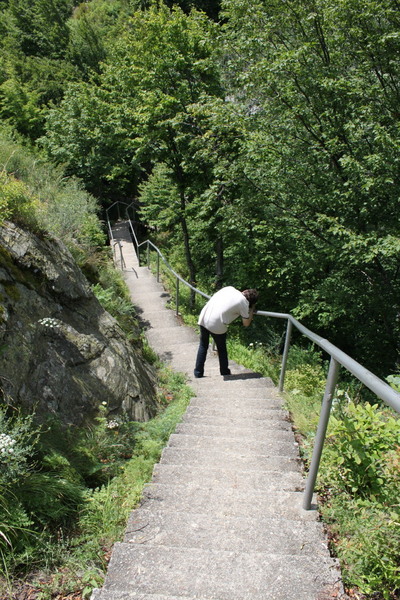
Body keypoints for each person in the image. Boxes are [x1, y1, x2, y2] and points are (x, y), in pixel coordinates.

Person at [194, 286, 258, 378]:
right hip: (216, 323)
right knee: (222, 349)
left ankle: (198, 372)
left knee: (203, 345)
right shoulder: (244, 303)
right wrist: (251, 309)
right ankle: (224, 372)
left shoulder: (229, 288)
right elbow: (246, 323)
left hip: (204, 317)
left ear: (244, 291)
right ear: (250, 302)